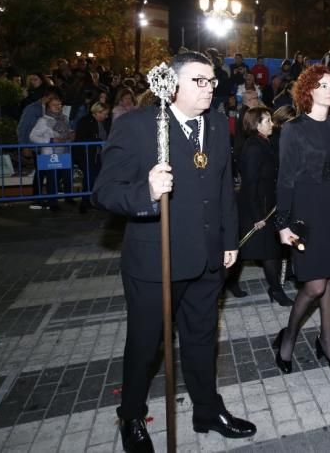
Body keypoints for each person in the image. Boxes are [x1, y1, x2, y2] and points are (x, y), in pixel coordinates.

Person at [93, 51, 256, 450]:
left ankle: (207, 409)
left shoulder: (217, 124)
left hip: (207, 256)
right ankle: (131, 416)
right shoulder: (137, 127)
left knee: (203, 339)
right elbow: (104, 191)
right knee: (146, 344)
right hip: (156, 260)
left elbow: (222, 188)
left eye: (213, 81)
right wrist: (146, 192)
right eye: (200, 80)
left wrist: (230, 240)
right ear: (174, 84)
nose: (210, 88)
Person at [272, 65, 330, 375]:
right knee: (315, 284)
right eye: (323, 85)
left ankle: (326, 341)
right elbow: (285, 180)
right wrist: (282, 224)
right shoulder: (293, 129)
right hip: (307, 213)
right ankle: (289, 337)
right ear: (308, 90)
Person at [224, 106, 292, 306]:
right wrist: (257, 217)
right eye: (268, 120)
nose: (272, 124)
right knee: (266, 251)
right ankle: (276, 290)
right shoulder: (254, 147)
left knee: (250, 250)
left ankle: (233, 283)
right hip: (256, 208)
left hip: (265, 206)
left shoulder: (263, 142)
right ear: (257, 124)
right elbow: (250, 184)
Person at [74, 101, 111, 213]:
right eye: (104, 113)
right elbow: (80, 138)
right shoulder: (85, 121)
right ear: (97, 112)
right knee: (89, 178)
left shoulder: (103, 123)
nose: (106, 116)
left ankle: (91, 201)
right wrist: (99, 141)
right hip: (87, 155)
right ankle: (86, 202)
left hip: (98, 155)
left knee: (95, 179)